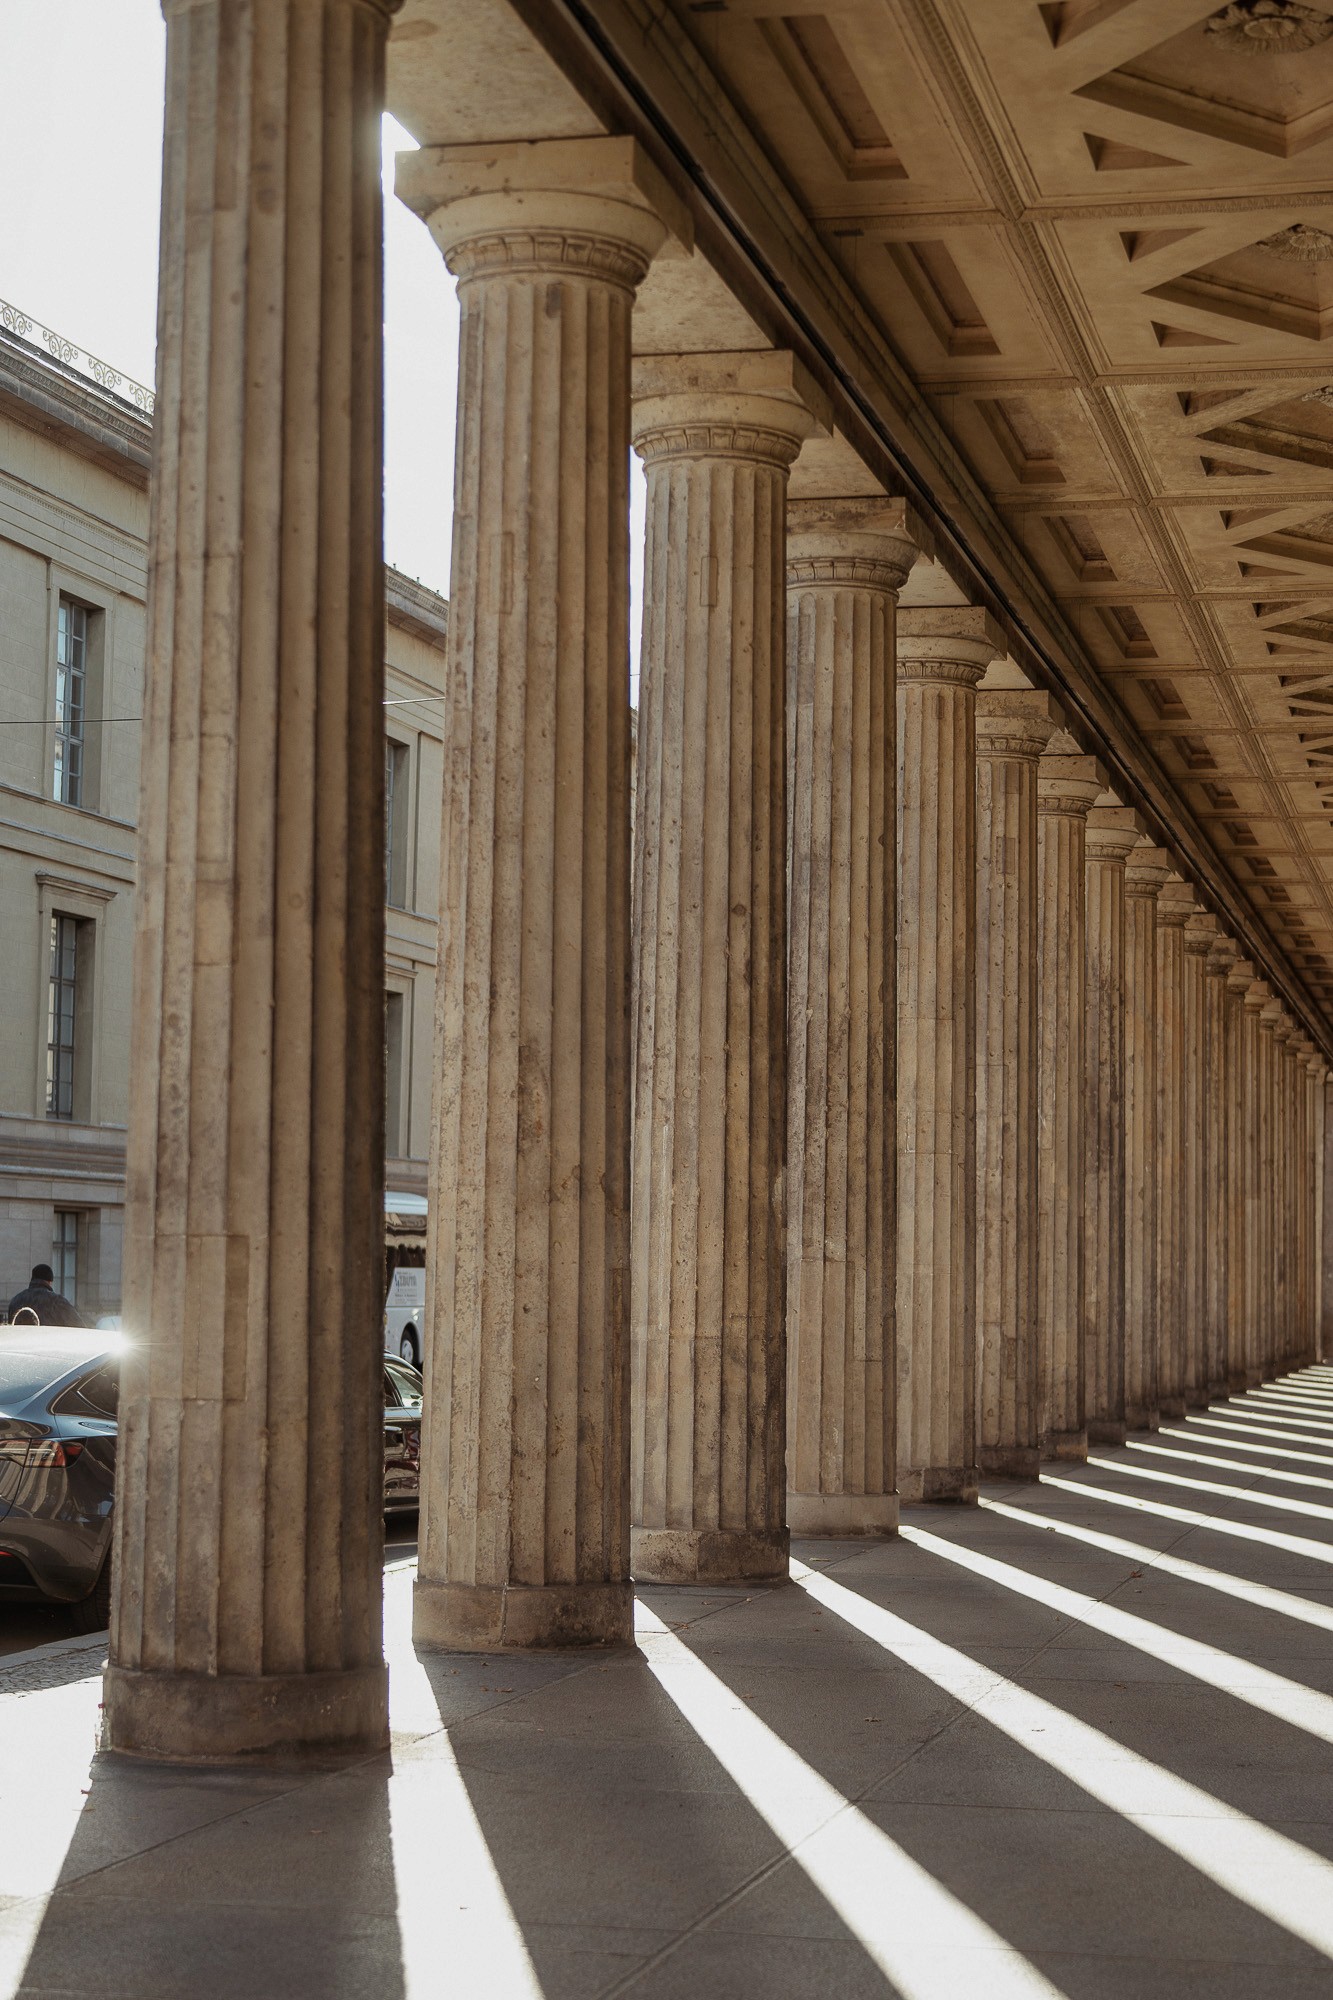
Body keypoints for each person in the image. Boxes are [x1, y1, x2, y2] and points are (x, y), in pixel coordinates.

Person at [5, 1263, 85, 1328]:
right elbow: (79, 1327)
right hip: (47, 1346)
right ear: (50, 1282)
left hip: (20, 1346)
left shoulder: (16, 1300)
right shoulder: (57, 1301)